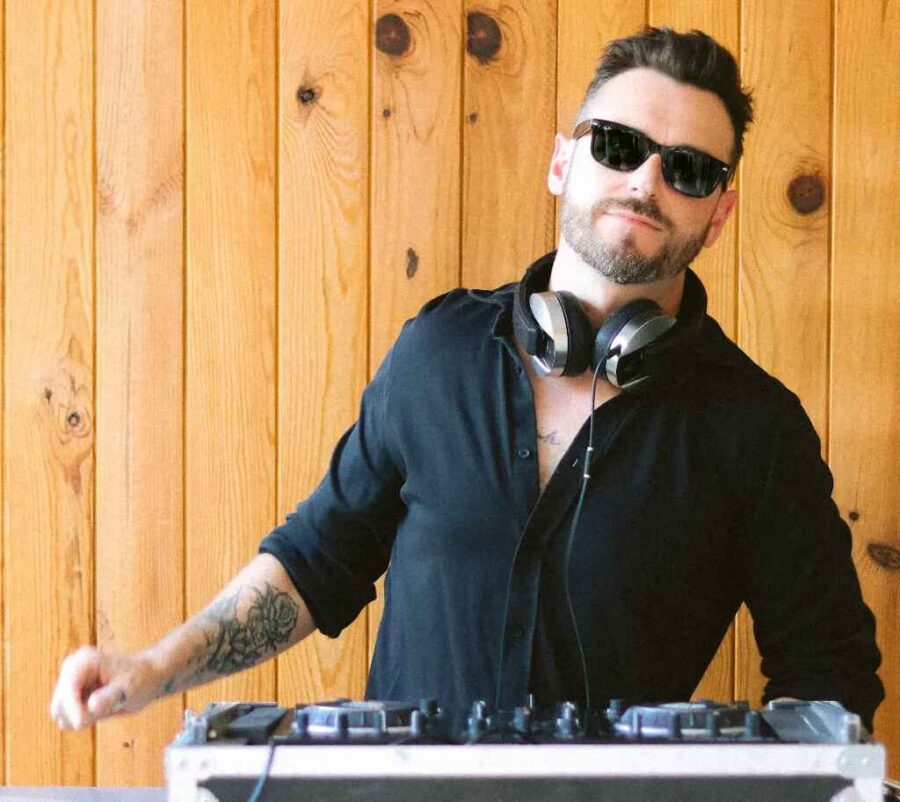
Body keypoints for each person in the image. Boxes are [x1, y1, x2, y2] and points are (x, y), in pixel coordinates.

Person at [50, 26, 884, 734]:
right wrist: (156, 668)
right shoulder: (438, 354)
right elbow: (315, 562)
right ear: (562, 161)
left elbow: (829, 674)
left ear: (719, 213)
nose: (645, 182)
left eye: (689, 169)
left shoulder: (756, 428)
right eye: (618, 146)